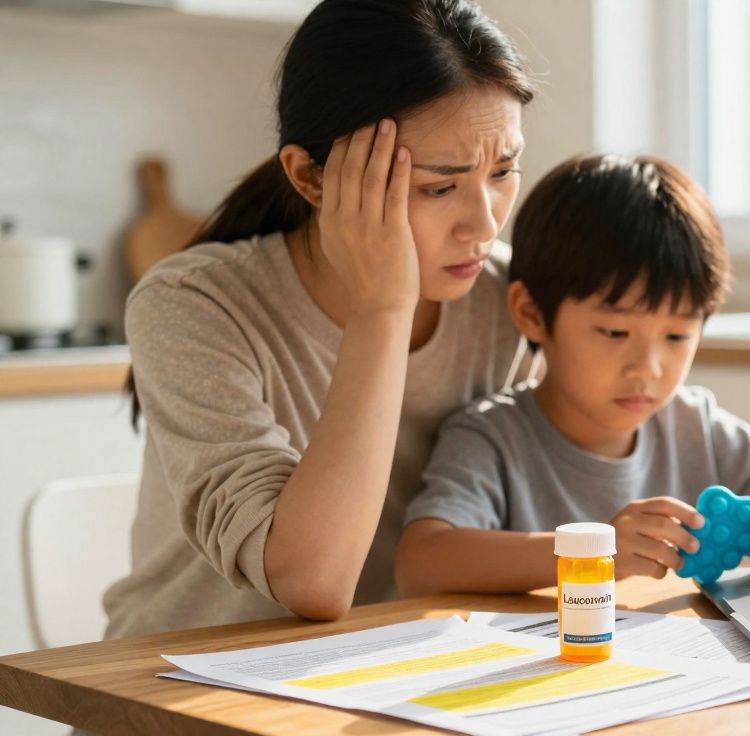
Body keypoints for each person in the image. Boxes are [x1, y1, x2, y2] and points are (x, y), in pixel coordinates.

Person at [104, 0, 536, 637]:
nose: (486, 222)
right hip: (174, 694)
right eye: (439, 187)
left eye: (503, 173)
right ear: (311, 177)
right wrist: (383, 309)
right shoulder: (192, 303)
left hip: (382, 681)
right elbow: (314, 581)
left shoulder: (506, 301)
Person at [394, 154, 750, 594]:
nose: (647, 368)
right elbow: (423, 560)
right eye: (613, 332)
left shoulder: (695, 425)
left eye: (676, 337)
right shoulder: (490, 437)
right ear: (532, 312)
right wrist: (592, 554)